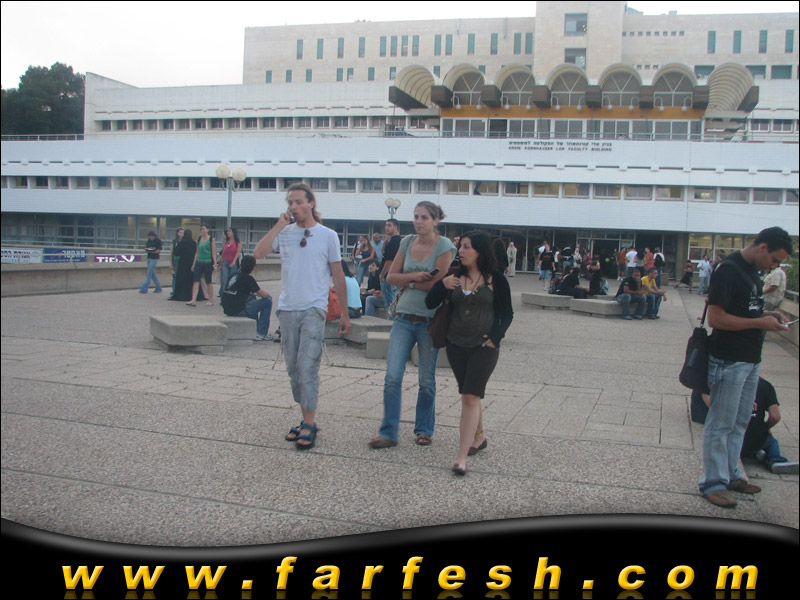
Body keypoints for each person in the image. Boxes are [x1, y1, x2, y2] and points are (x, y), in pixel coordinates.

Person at [699, 226, 793, 508]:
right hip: (729, 359)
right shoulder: (728, 270)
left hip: (750, 359)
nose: (773, 267)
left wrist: (769, 314)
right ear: (762, 247)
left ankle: (731, 474)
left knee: (740, 421)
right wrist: (760, 322)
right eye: (774, 260)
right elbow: (716, 319)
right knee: (721, 423)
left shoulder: (753, 271)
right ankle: (713, 482)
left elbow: (746, 309)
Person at [253, 182, 351, 450]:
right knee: (293, 370)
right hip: (288, 308)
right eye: (290, 202)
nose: (294, 206)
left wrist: (345, 313)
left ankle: (309, 423)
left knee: (308, 366)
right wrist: (278, 226)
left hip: (314, 308)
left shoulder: (328, 235)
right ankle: (305, 415)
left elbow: (338, 274)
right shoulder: (284, 233)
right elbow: (258, 253)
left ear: (311, 203)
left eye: (298, 202)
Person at [368, 201, 455, 449]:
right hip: (403, 318)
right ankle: (388, 432)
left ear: (435, 220)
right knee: (392, 376)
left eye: (424, 217)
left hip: (430, 320)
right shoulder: (406, 242)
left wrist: (409, 282)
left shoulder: (444, 246)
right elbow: (391, 277)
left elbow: (439, 284)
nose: (418, 221)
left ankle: (424, 429)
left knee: (426, 380)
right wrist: (416, 277)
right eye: (416, 216)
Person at [425, 231, 513, 476]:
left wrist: (495, 338)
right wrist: (441, 286)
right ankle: (479, 436)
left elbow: (507, 313)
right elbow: (430, 303)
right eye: (460, 246)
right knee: (470, 393)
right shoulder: (454, 274)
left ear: (480, 251)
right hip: (456, 345)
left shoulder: (495, 279)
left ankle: (461, 458)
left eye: (466, 247)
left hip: (483, 347)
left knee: (470, 396)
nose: (461, 251)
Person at [691, 378, 799, 475]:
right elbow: (775, 417)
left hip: (732, 440)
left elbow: (715, 408)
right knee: (771, 441)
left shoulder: (724, 382)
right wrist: (764, 428)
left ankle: (756, 454)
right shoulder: (765, 385)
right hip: (757, 440)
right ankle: (775, 459)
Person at [221, 254, 273, 341]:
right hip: (238, 310)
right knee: (267, 302)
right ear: (253, 267)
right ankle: (261, 333)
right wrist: (269, 296)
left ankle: (254, 328)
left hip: (227, 309)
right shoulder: (248, 278)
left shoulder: (234, 275)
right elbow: (262, 294)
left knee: (252, 297)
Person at [187, 224, 217, 306]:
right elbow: (197, 252)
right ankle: (193, 300)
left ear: (208, 229)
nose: (202, 231)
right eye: (201, 229)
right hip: (199, 262)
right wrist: (194, 263)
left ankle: (210, 300)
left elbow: (213, 252)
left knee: (208, 282)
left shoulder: (211, 239)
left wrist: (215, 264)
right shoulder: (199, 239)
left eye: (204, 229)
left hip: (208, 262)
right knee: (196, 281)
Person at [376, 218, 402, 314]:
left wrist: (382, 275)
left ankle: (391, 320)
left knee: (390, 302)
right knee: (389, 301)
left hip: (388, 276)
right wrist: (385, 243)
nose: (386, 227)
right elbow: (383, 254)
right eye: (386, 225)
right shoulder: (391, 241)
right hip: (389, 276)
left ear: (396, 227)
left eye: (389, 225)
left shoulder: (395, 241)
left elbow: (389, 261)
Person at [169, 229, 199, 302]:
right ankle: (191, 295)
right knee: (190, 279)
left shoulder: (182, 243)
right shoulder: (194, 243)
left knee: (181, 279)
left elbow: (176, 252)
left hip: (182, 263)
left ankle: (180, 294)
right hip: (191, 263)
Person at [218, 227, 242, 298]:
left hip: (233, 263)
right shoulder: (227, 242)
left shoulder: (238, 242)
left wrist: (234, 261)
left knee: (231, 280)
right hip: (226, 263)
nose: (228, 233)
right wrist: (221, 264)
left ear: (233, 233)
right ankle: (223, 296)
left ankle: (231, 296)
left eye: (229, 231)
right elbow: (224, 254)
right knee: (224, 280)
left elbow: (237, 253)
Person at [169, 227, 184, 299]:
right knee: (175, 276)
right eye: (180, 232)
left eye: (183, 233)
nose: (181, 234)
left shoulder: (184, 241)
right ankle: (174, 291)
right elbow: (171, 252)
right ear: (177, 233)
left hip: (182, 260)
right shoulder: (174, 241)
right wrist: (170, 263)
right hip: (175, 260)